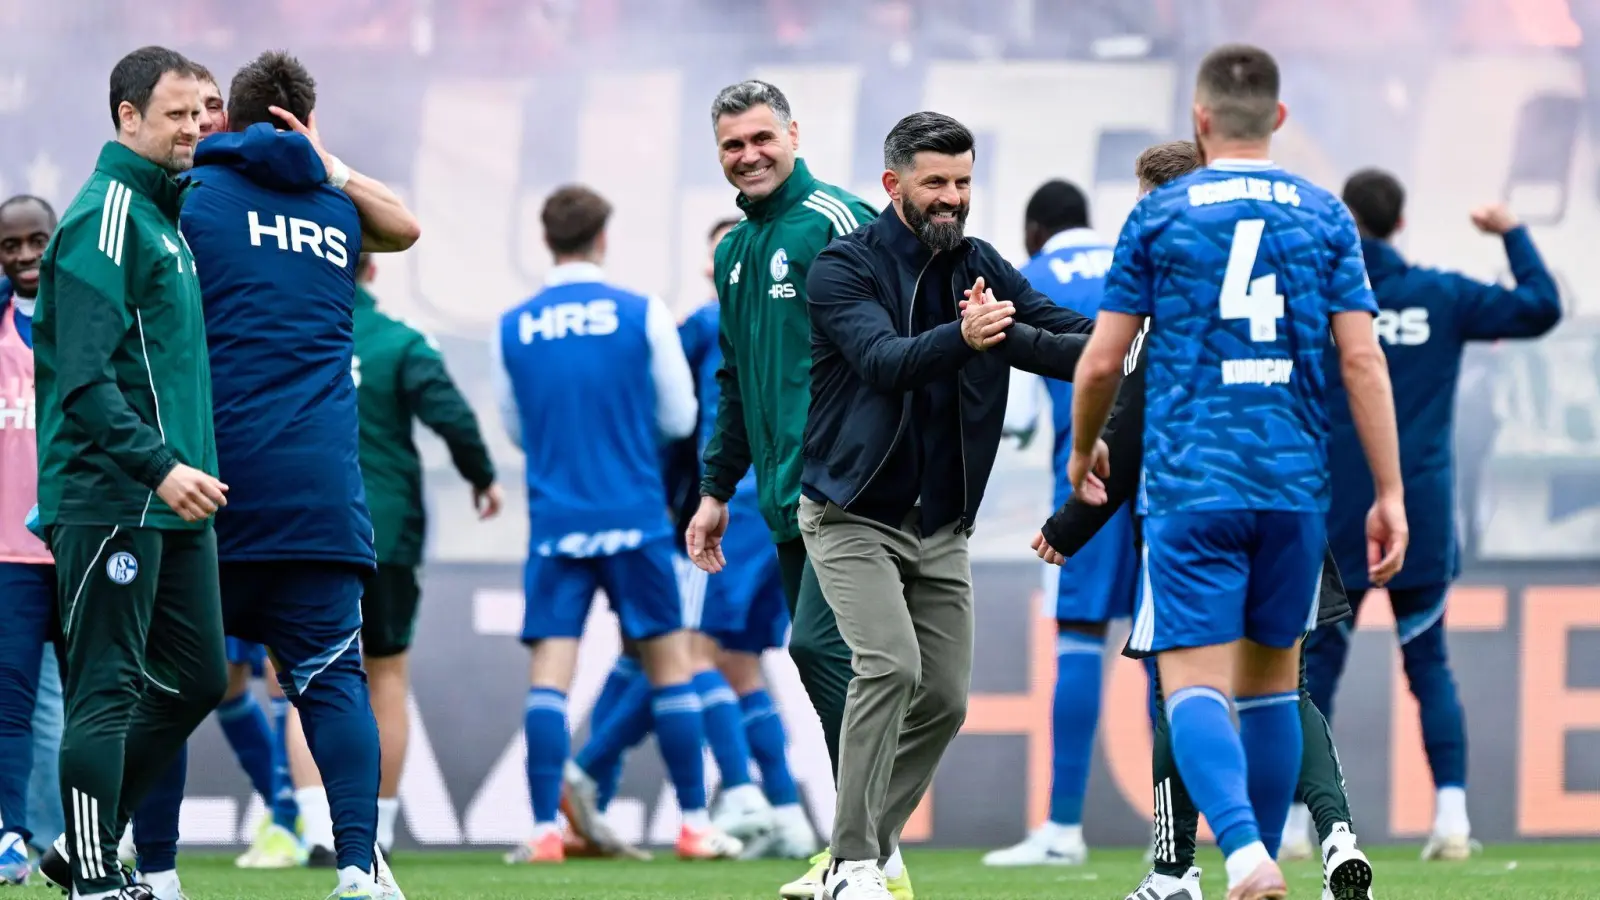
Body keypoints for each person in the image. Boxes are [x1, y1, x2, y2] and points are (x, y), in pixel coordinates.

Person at [1060, 44, 1409, 900]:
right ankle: (1268, 852)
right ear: (1280, 119)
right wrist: (1390, 491)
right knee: (1270, 691)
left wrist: (1083, 449)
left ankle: (1245, 854)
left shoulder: (1161, 215)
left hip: (1192, 484)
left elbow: (1103, 360)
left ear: (1201, 120)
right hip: (1292, 486)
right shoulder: (1326, 216)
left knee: (1190, 685)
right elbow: (1363, 363)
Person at [802, 111, 1095, 900]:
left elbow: (1062, 332)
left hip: (940, 524)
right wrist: (966, 338)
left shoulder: (984, 264)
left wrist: (1136, 344)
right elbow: (882, 361)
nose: (952, 199)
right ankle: (855, 865)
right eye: (935, 183)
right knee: (891, 666)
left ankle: (849, 853)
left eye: (963, 183)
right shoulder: (844, 268)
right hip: (851, 512)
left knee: (945, 698)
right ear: (893, 183)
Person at [181, 50, 419, 899]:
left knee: (165, 684)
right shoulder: (336, 209)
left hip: (206, 491)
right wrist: (328, 161)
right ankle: (361, 866)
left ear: (226, 120)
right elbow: (407, 225)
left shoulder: (190, 200)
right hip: (320, 493)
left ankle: (157, 874)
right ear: (306, 122)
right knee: (329, 684)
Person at [1304, 169, 1560, 861]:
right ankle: (1451, 819)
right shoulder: (1440, 296)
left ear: (1345, 224)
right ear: (1401, 221)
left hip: (1332, 522)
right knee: (1429, 665)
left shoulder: (1318, 301)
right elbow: (1540, 307)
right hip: (1418, 517)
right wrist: (1511, 232)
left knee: (1312, 673)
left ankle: (1303, 825)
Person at [32, 45, 231, 900]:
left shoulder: (164, 214)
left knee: (198, 680)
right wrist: (159, 467)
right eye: (179, 113)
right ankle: (89, 880)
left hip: (173, 499)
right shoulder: (102, 216)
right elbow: (82, 381)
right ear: (127, 116)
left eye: (205, 111)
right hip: (115, 492)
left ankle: (84, 844)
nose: (197, 127)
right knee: (105, 690)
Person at [676, 79, 882, 900]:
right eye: (733, 145)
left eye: (763, 138)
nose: (750, 156)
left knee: (826, 650)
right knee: (827, 655)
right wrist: (715, 488)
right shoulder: (733, 253)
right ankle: (866, 850)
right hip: (783, 496)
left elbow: (903, 342)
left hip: (850, 488)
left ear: (794, 134)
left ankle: (867, 849)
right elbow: (735, 380)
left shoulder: (839, 222)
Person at [493, 184, 739, 864]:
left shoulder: (512, 324)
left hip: (556, 520)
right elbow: (679, 418)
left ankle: (545, 830)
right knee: (669, 666)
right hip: (634, 513)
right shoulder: (641, 314)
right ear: (603, 239)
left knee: (550, 674)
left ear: (546, 240)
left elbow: (515, 426)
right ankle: (693, 823)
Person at [569, 218, 819, 860]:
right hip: (790, 507)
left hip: (733, 507)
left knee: (683, 654)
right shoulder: (794, 322)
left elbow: (669, 421)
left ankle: (724, 793)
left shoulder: (707, 324)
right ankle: (787, 811)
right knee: (735, 661)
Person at [983, 179, 1133, 868]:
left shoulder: (1030, 279)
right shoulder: (1140, 257)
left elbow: (1013, 418)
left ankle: (1063, 829)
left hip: (1089, 481)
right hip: (1168, 472)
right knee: (1180, 646)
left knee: (1079, 638)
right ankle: (1219, 828)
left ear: (1034, 230)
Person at [351, 251, 502, 855]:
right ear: (373, 269)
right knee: (385, 673)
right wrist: (482, 476)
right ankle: (376, 833)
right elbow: (454, 416)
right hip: (384, 530)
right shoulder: (400, 341)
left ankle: (311, 827)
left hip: (303, 532)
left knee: (307, 678)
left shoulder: (287, 339)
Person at [0, 195, 58, 886]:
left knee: (91, 699)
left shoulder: (86, 319)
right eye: (9, 245)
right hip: (10, 550)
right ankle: (12, 834)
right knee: (11, 702)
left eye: (36, 241)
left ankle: (88, 836)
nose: (23, 256)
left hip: (78, 544)